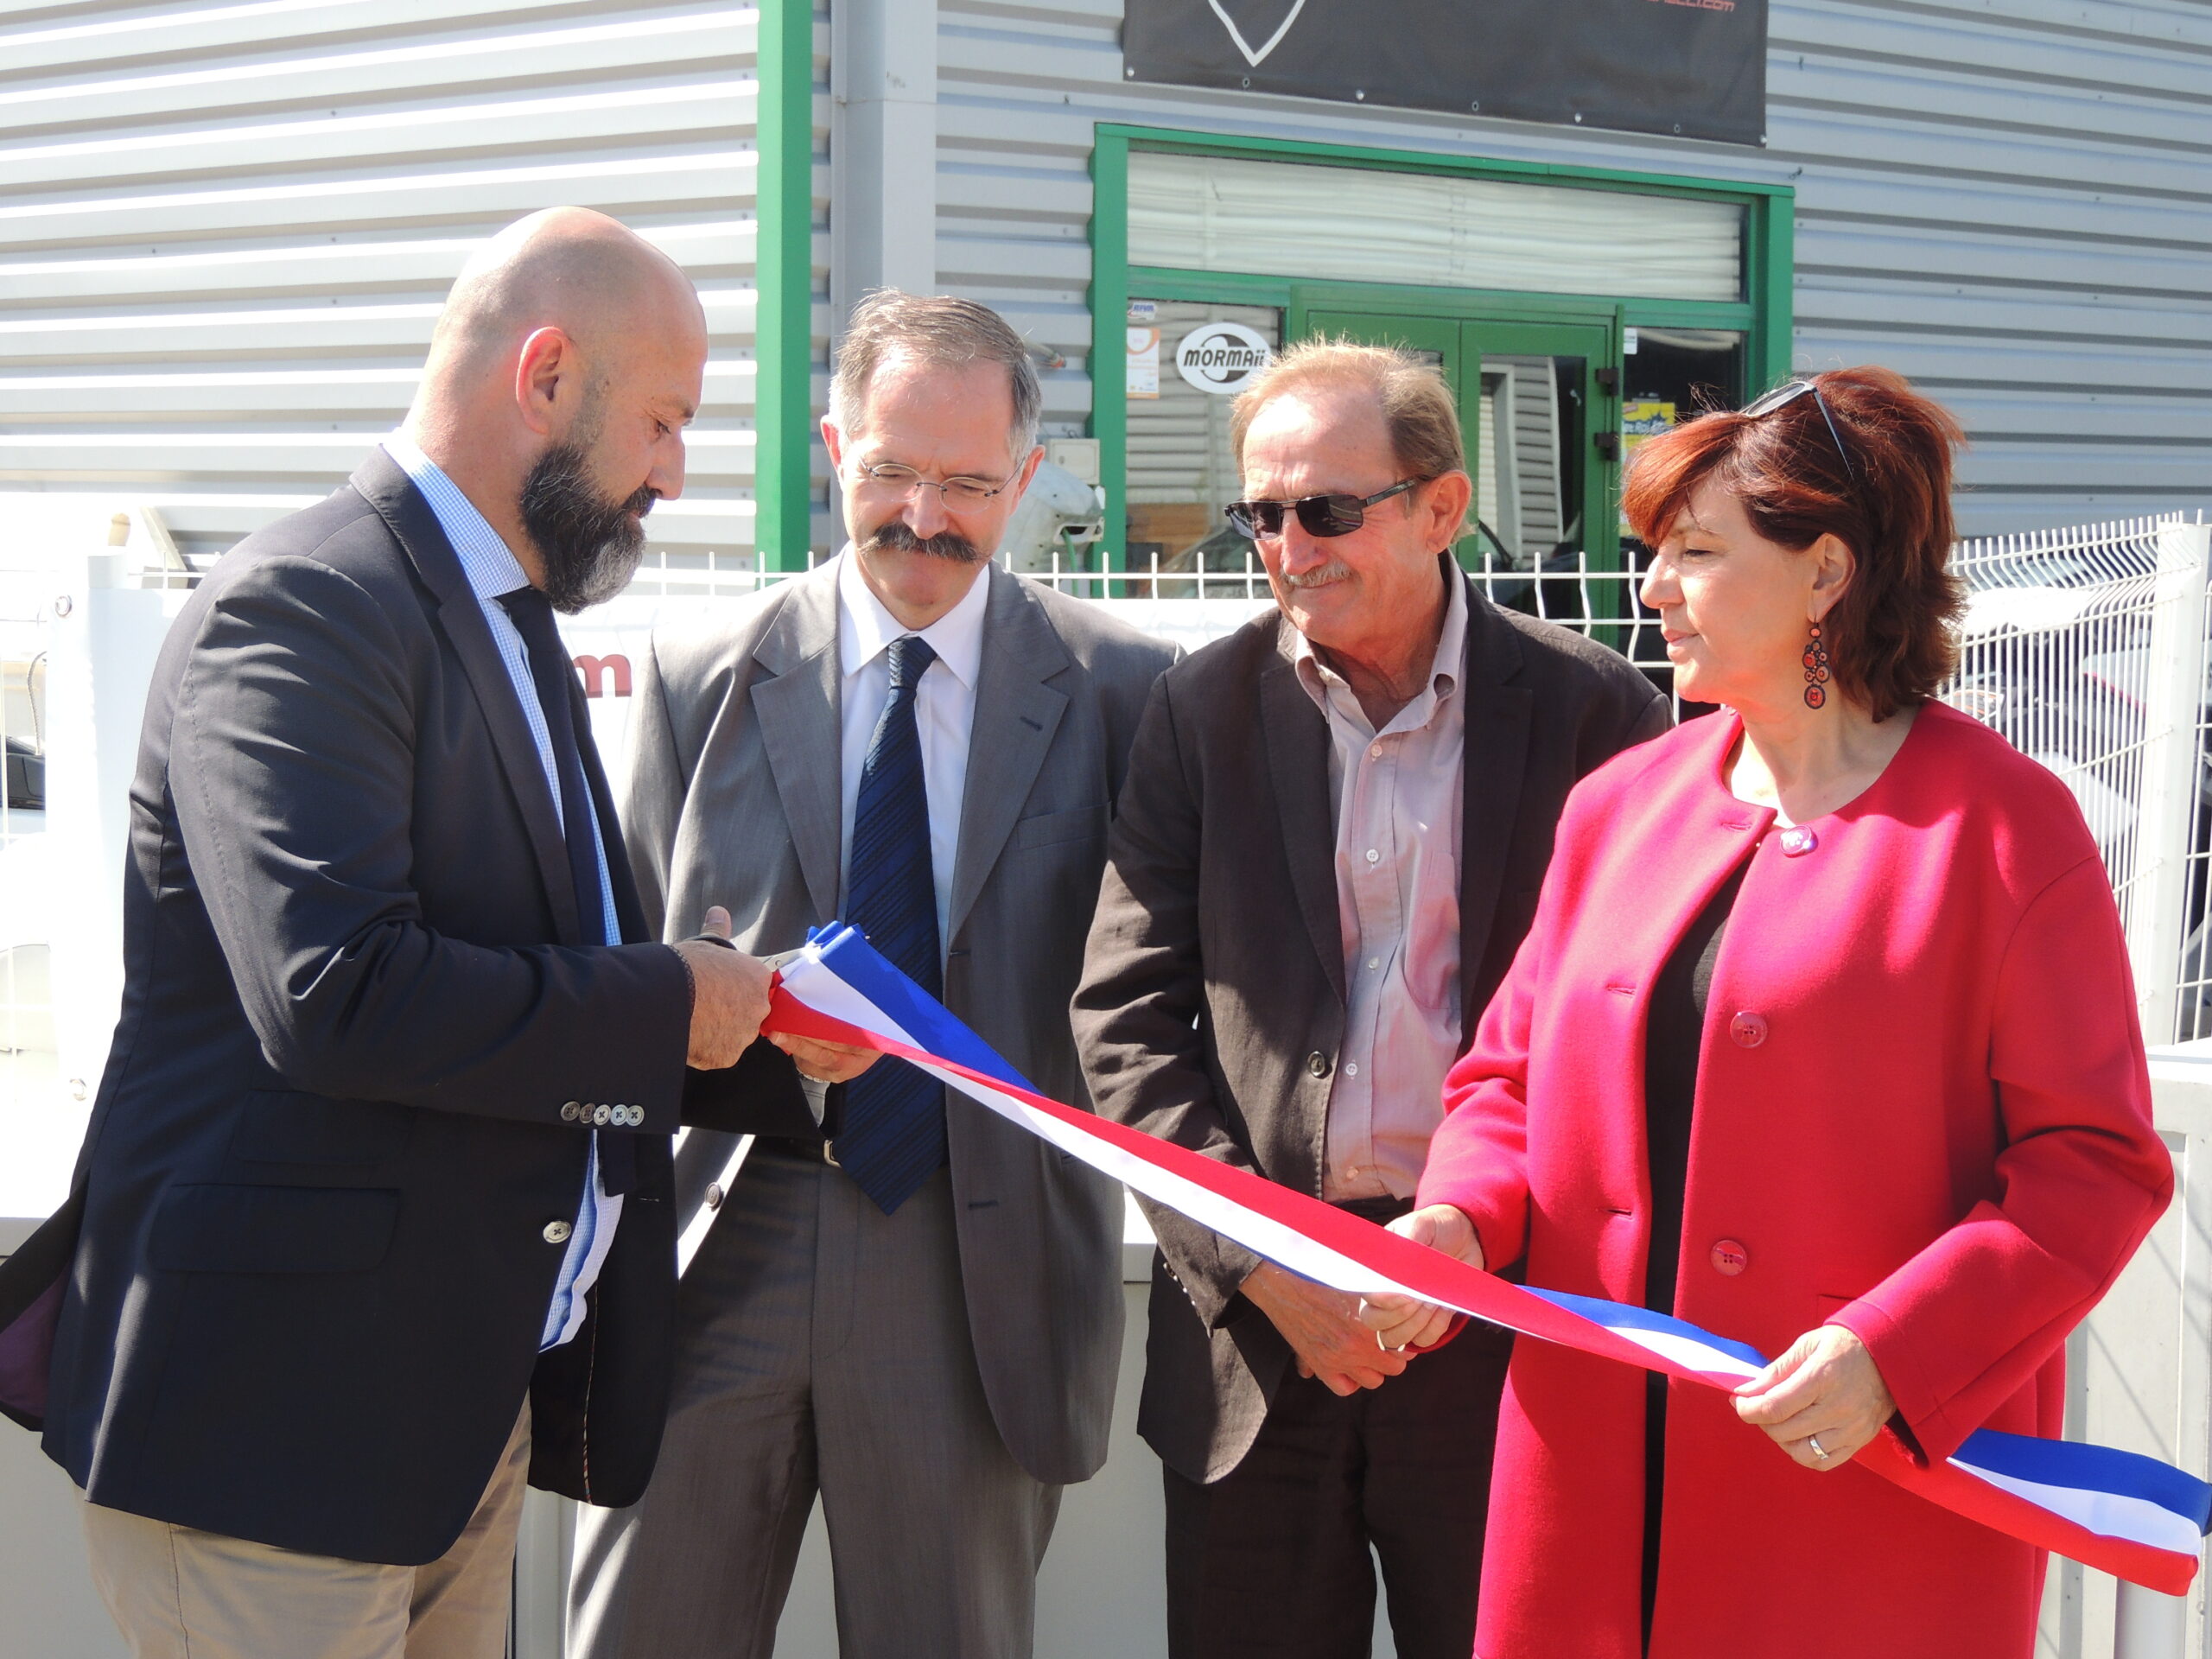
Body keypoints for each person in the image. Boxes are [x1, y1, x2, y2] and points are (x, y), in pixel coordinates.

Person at [0, 208, 777, 1659]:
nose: (675, 471)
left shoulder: (503, 616)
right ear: (545, 377)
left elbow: (523, 996)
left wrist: (748, 1032)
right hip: (272, 1447)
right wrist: (670, 999)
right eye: (664, 423)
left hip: (437, 1428)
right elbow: (338, 993)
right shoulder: (309, 603)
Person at [1361, 366, 2174, 1658]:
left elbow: (2094, 1168)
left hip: (1862, 1491)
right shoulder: (1620, 804)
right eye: (1653, 554)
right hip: (1589, 1479)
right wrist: (1460, 1217)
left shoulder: (2008, 831)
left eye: (1692, 554)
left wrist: (1895, 1354)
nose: (1651, 590)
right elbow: (1509, 1077)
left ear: (1827, 575)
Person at [566, 290, 1179, 1659]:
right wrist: (733, 1005)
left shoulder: (1125, 690)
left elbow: (1157, 994)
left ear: (1024, 479)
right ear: (836, 448)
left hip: (979, 1279)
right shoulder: (695, 673)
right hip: (719, 1249)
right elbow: (616, 971)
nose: (925, 515)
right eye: (894, 472)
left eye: (967, 483)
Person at [1070, 340, 1667, 1659]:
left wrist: (1478, 1246)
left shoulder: (1597, 714)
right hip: (1258, 1340)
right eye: (1262, 513)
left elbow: (1632, 1034)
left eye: (1328, 509)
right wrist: (1262, 1260)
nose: (1288, 544)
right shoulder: (1200, 710)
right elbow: (1123, 1015)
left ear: (1441, 506)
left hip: (1504, 1330)